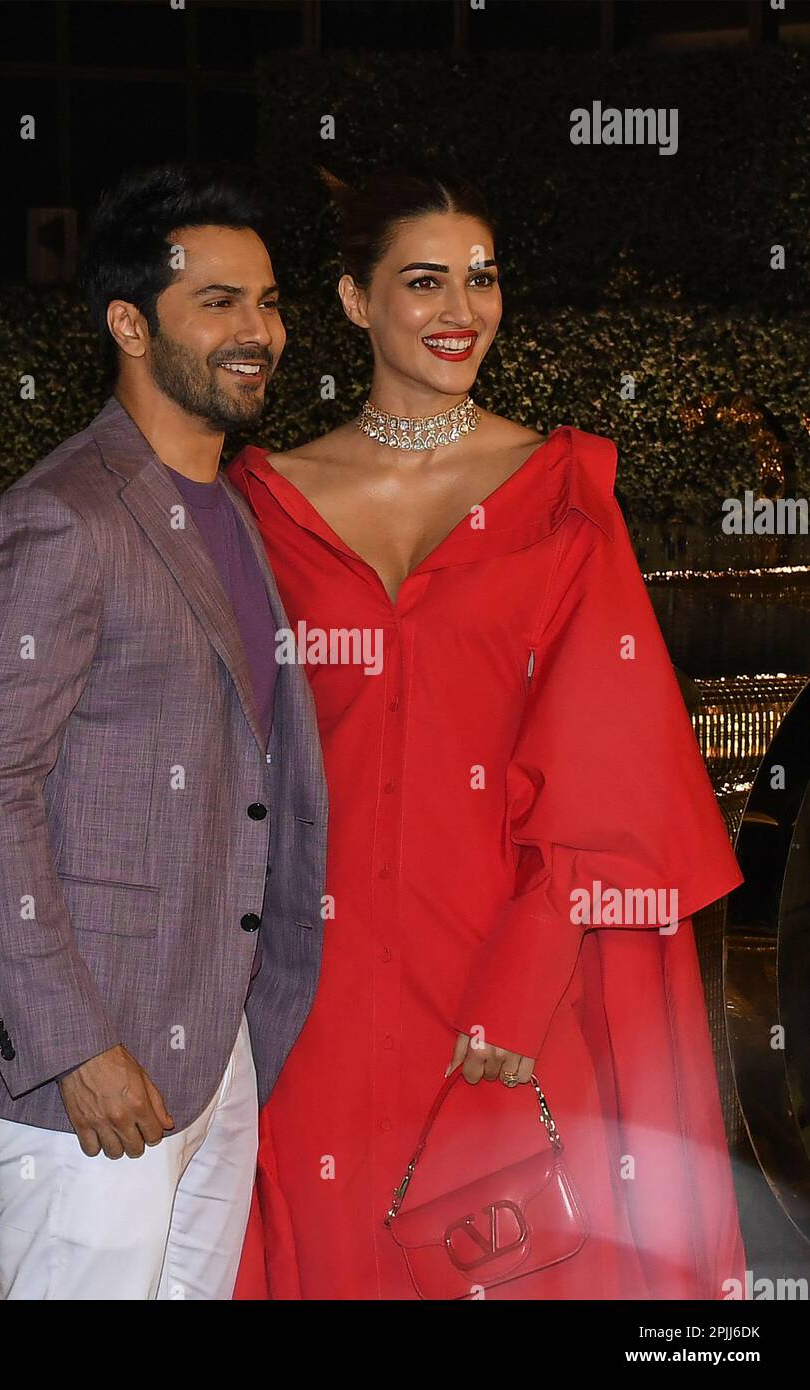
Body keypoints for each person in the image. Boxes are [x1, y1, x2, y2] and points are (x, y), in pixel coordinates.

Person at [226, 167, 747, 1300]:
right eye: (425, 280)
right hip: (311, 986)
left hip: (509, 971)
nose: (463, 307)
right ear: (357, 302)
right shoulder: (261, 502)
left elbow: (614, 765)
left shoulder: (560, 493)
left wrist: (520, 987)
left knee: (522, 1262)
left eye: (483, 276)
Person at [0, 163, 328, 1300]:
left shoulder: (233, 513)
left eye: (269, 301)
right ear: (129, 323)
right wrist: (73, 1046)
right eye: (220, 302)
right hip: (92, 1067)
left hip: (214, 1047)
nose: (260, 331)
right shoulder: (60, 519)